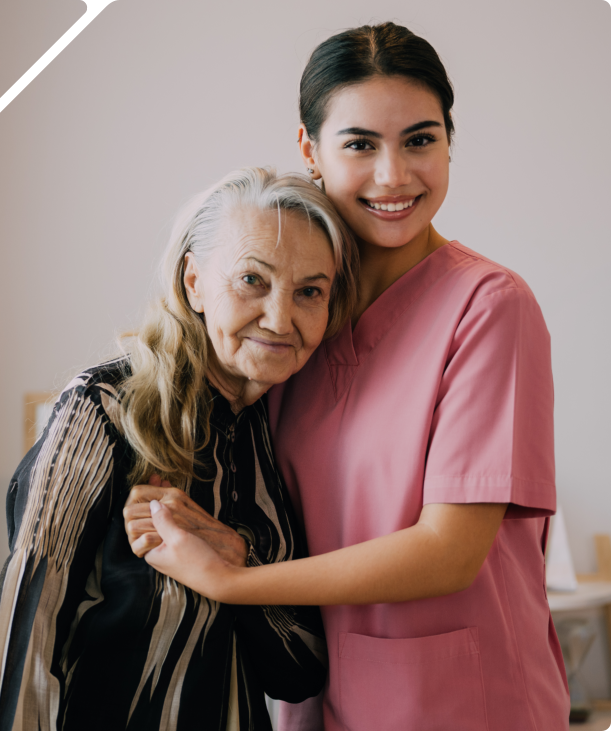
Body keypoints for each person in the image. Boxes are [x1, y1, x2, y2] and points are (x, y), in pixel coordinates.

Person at [131, 22, 570, 731]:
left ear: (448, 144)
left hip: (459, 700)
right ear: (309, 149)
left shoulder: (489, 308)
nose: (393, 175)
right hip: (314, 691)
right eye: (360, 144)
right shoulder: (296, 319)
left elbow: (448, 551)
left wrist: (234, 582)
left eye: (419, 140)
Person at [0, 167, 358, 731]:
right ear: (194, 281)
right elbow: (24, 636)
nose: (281, 319)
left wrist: (235, 559)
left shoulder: (277, 433)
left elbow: (299, 670)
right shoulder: (103, 407)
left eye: (310, 292)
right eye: (252, 280)